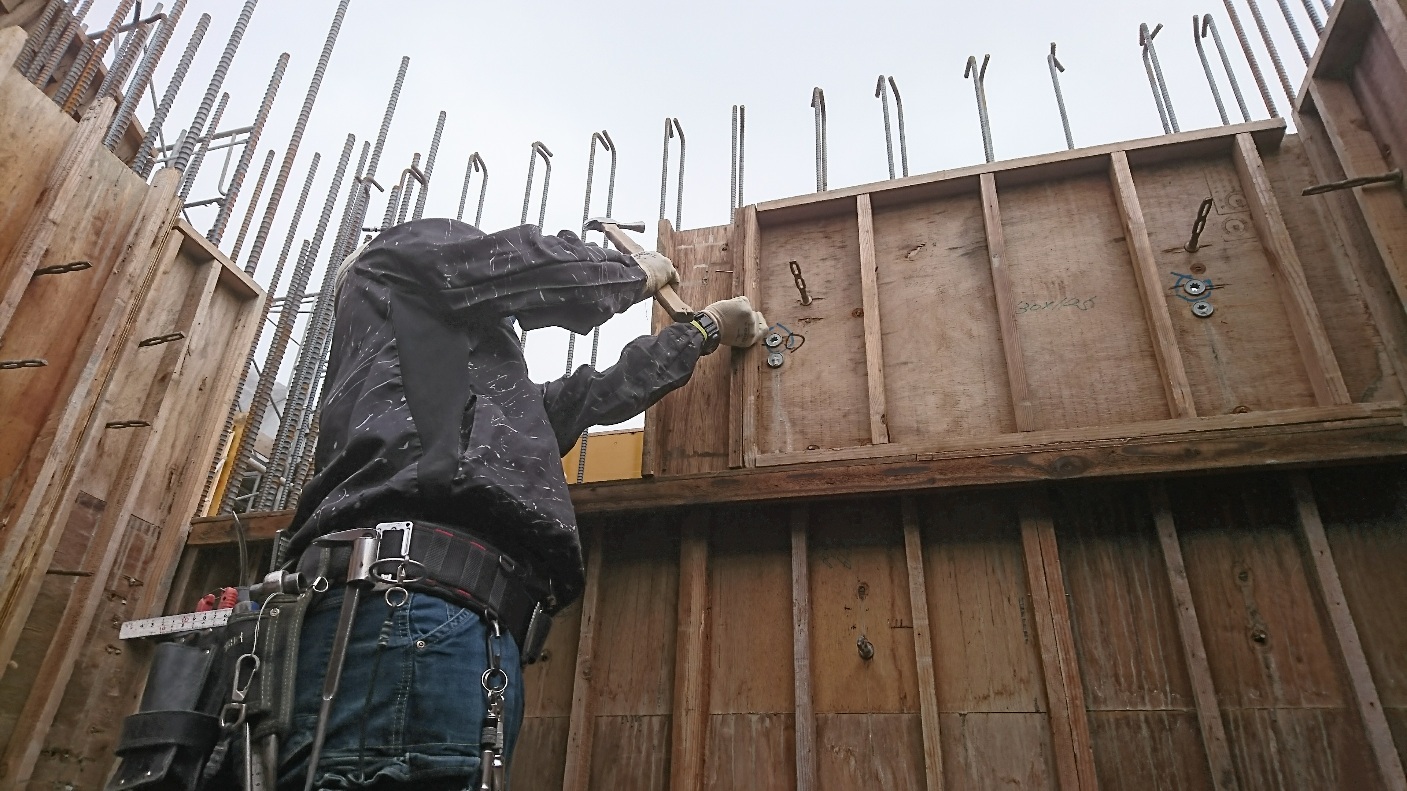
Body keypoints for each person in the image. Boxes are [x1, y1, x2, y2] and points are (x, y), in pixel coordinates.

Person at [274, 218, 765, 790]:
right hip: (407, 616)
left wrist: (702, 331)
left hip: (439, 626)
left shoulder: (443, 400)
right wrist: (629, 272)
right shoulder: (392, 255)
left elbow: (588, 398)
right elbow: (518, 266)